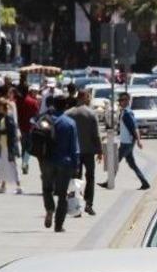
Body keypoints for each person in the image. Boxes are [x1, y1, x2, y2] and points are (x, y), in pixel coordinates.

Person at [40, 94, 80, 233]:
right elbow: (74, 147)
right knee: (62, 194)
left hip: (47, 161)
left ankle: (50, 209)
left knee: (47, 189)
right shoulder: (70, 123)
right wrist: (76, 165)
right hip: (65, 162)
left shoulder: (46, 120)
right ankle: (58, 225)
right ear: (66, 106)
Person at [65, 89, 103, 215]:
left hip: (74, 151)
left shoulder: (68, 113)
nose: (89, 99)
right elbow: (96, 135)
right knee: (90, 177)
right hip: (88, 151)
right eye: (88, 97)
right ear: (84, 97)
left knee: (75, 178)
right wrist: (100, 151)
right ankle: (89, 204)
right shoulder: (91, 114)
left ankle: (75, 206)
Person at [115, 91, 151, 190]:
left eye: (122, 100)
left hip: (127, 143)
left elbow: (135, 128)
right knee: (132, 164)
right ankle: (144, 182)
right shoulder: (123, 112)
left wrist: (139, 141)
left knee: (115, 161)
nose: (120, 102)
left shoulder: (127, 113)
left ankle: (109, 181)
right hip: (126, 142)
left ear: (127, 101)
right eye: (119, 100)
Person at [0, 98, 22, 194]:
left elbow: (10, 131)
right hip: (4, 144)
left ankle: (19, 186)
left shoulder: (9, 116)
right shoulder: (5, 116)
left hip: (9, 145)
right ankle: (3, 186)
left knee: (12, 165)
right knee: (3, 165)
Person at [16, 84, 40, 175]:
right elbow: (37, 114)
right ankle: (25, 162)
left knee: (23, 147)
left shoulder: (18, 101)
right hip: (31, 128)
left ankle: (24, 162)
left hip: (22, 127)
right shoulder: (33, 101)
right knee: (29, 147)